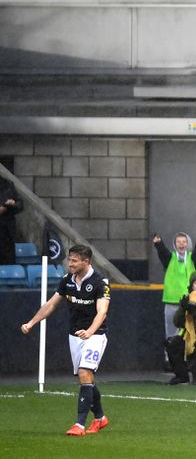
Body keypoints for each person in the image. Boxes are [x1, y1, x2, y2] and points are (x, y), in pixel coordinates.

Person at [20, 245, 110, 436]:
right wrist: (31, 322)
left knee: (85, 373)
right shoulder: (67, 281)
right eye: (69, 260)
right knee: (86, 379)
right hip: (74, 337)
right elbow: (51, 304)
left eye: (75, 260)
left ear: (86, 261)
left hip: (95, 335)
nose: (70, 263)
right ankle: (100, 417)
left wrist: (90, 331)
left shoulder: (100, 282)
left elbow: (102, 312)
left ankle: (79, 425)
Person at [153, 232, 196, 345]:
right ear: (175, 244)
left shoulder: (192, 259)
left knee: (190, 331)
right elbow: (163, 252)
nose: (181, 244)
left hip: (189, 302)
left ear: (188, 244)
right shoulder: (169, 258)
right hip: (171, 302)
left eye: (184, 241)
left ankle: (188, 357)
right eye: (179, 241)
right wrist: (158, 243)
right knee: (171, 333)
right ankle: (170, 358)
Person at [0, 176, 23, 265]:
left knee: (9, 262)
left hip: (8, 232)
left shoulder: (8, 185)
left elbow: (20, 205)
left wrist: (13, 205)